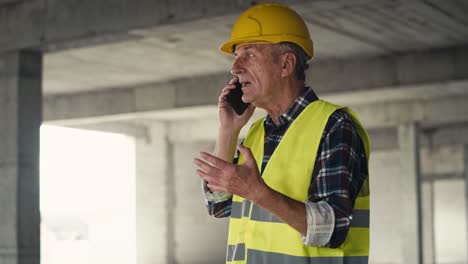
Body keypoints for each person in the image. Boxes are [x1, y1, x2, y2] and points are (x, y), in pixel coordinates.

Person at [193, 2, 370, 264]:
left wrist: (257, 192)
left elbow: (333, 229)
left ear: (286, 64)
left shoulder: (334, 126)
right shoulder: (255, 133)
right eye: (236, 56)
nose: (235, 68)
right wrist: (228, 130)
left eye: (249, 55)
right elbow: (219, 206)